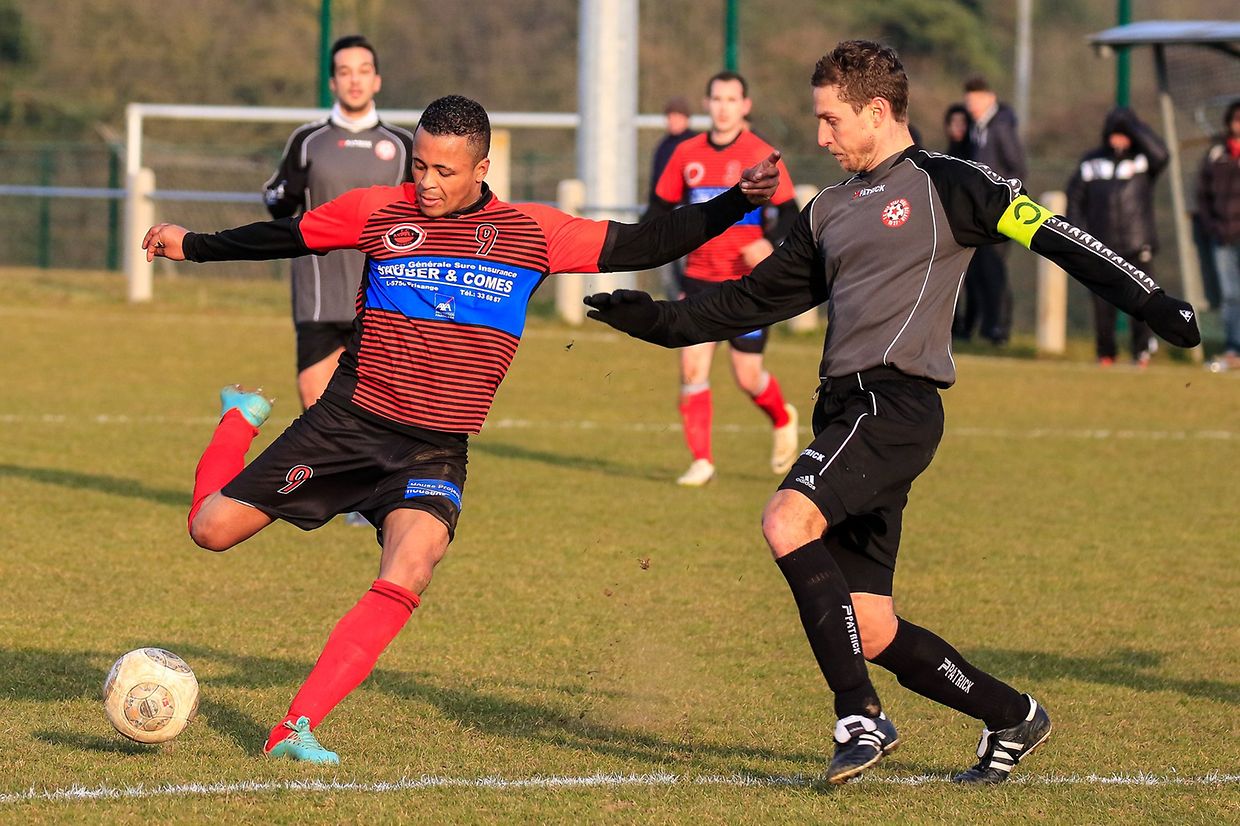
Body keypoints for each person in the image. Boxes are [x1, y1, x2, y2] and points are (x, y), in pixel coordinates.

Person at [584, 40, 1200, 785]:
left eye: (831, 120)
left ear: (878, 112)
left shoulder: (953, 184)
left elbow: (1059, 238)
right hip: (843, 411)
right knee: (870, 624)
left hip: (896, 403)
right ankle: (1013, 715)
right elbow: (748, 303)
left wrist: (1153, 302)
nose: (821, 137)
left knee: (786, 520)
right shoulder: (828, 209)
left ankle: (859, 716)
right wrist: (651, 318)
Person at [142, 95, 783, 764]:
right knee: (210, 531)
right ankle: (237, 420)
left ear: (482, 166)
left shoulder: (532, 231)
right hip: (347, 423)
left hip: (434, 446)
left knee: (411, 566)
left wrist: (738, 199)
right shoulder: (378, 210)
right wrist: (193, 245)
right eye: (419, 166)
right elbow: (287, 236)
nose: (427, 183)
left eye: (444, 171)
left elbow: (648, 242)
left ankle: (293, 728)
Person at [646, 71, 801, 487]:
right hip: (698, 279)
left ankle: (783, 417)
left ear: (745, 106)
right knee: (692, 368)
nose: (723, 107)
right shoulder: (686, 154)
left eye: (732, 99)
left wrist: (768, 241)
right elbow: (657, 209)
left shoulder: (761, 153)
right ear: (707, 103)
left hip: (748, 283)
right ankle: (702, 461)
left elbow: (790, 213)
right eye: (716, 98)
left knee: (748, 377)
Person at [263, 35, 414, 411]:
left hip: (387, 301)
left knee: (381, 418)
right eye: (345, 72)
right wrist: (285, 195)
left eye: (364, 71)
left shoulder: (402, 144)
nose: (355, 80)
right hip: (321, 298)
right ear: (332, 82)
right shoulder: (308, 140)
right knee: (316, 415)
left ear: (377, 80)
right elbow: (276, 203)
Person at [1067, 107, 1170, 367]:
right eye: (1115, 133)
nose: (1119, 139)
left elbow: (1162, 154)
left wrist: (1134, 127)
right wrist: (1080, 237)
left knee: (1142, 301)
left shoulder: (1143, 160)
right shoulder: (1091, 162)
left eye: (1124, 134)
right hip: (1101, 247)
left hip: (1138, 244)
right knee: (1103, 305)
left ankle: (1142, 352)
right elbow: (1075, 200)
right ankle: (1106, 354)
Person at [961, 75, 1028, 345]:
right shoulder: (978, 128)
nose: (971, 105)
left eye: (976, 100)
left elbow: (1018, 168)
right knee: (980, 271)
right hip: (981, 211)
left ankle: (1000, 328)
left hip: (999, 210)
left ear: (990, 99)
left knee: (995, 269)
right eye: (968, 101)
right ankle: (987, 328)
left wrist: (1007, 201)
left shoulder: (1000, 128)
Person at [1197, 99, 1240, 371]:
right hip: (1224, 235)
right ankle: (1234, 350)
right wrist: (1212, 226)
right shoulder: (1216, 155)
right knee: (1230, 296)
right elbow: (1202, 196)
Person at [649, 96, 699, 300]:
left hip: (686, 212)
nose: (673, 121)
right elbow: (657, 185)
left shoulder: (694, 144)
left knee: (686, 264)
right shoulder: (662, 146)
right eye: (670, 116)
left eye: (677, 116)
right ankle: (675, 302)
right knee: (666, 266)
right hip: (665, 214)